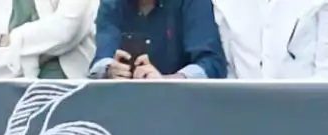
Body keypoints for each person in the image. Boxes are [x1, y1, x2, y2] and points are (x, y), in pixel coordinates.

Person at [90, 0, 226, 77]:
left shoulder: (192, 2)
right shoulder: (112, 3)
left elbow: (212, 64)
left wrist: (169, 81)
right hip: (124, 102)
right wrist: (109, 70)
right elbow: (100, 61)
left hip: (183, 103)